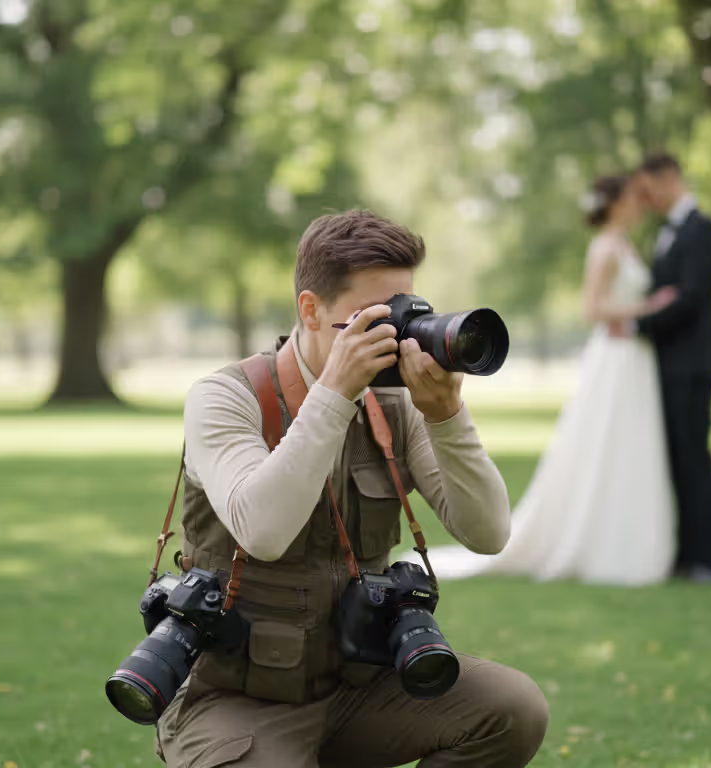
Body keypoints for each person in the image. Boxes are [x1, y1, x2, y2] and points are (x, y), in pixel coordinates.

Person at [157, 209, 549, 767]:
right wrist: (335, 393)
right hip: (236, 700)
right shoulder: (227, 399)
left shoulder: (396, 405)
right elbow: (263, 531)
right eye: (375, 318)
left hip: (358, 686)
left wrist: (446, 416)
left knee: (512, 708)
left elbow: (488, 534)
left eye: (407, 313)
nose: (397, 335)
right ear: (311, 311)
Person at [420, 175, 679, 586]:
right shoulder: (606, 246)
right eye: (631, 199)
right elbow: (591, 308)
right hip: (614, 358)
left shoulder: (625, 243)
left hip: (633, 358)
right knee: (605, 445)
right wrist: (647, 307)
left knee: (631, 447)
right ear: (613, 204)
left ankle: (630, 541)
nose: (639, 205)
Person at [631, 153, 711, 583]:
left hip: (692, 365)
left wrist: (638, 322)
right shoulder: (667, 234)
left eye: (649, 191)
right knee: (674, 461)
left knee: (694, 460)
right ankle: (684, 554)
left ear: (668, 180)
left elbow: (691, 297)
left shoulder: (703, 231)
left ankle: (703, 559)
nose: (646, 201)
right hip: (667, 366)